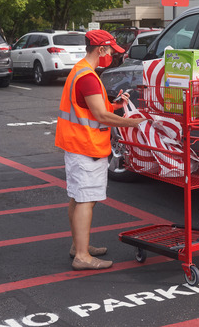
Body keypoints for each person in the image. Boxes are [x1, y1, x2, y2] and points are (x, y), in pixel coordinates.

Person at [55, 29, 144, 270]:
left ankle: (78, 246)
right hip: (87, 147)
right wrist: (133, 122)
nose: (113, 56)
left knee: (77, 197)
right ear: (100, 49)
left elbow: (93, 108)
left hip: (77, 144)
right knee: (86, 200)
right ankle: (82, 256)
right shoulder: (88, 77)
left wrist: (117, 105)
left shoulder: (81, 71)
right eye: (111, 51)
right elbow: (100, 115)